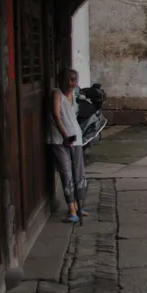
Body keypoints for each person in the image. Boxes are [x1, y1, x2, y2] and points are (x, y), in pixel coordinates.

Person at [49, 68, 88, 223]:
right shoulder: (57, 94)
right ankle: (71, 209)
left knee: (78, 173)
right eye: (68, 80)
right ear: (62, 80)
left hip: (76, 138)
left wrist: (73, 137)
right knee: (67, 173)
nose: (71, 83)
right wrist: (65, 136)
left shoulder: (73, 94)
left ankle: (79, 206)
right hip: (60, 139)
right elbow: (56, 116)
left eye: (74, 80)